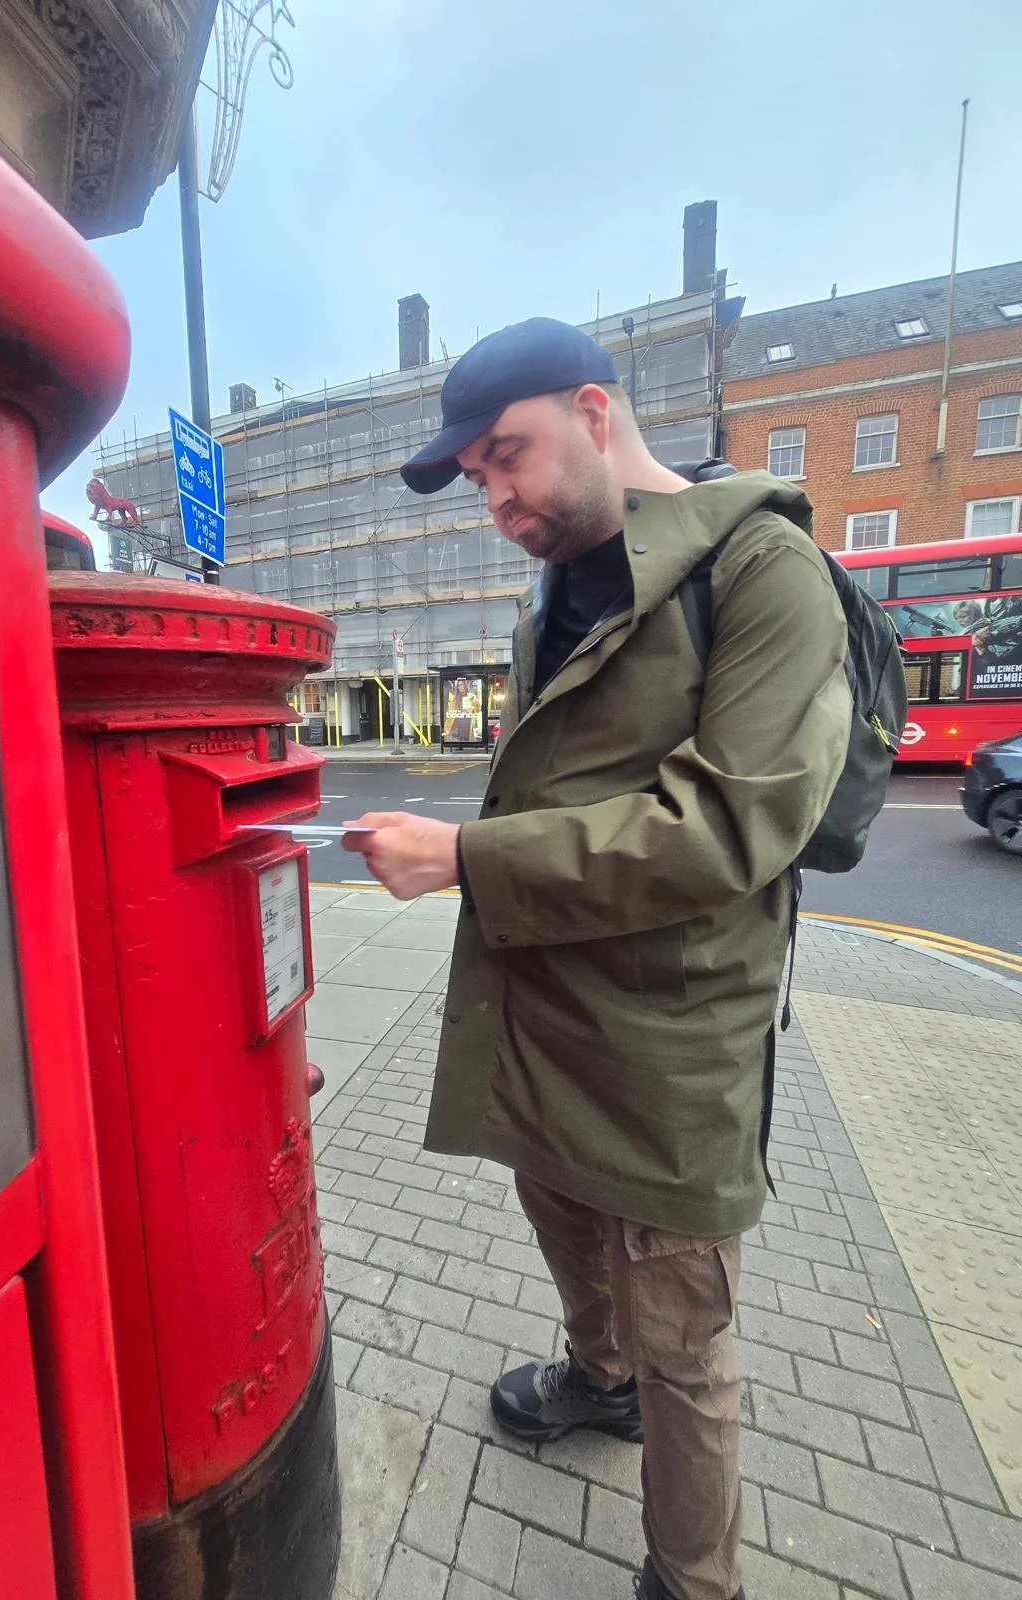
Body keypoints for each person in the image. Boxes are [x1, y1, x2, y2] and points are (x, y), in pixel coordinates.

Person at [342, 318, 850, 1600]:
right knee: (558, 1215)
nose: (496, 496)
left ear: (595, 410)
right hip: (552, 1010)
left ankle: (694, 1582)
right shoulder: (556, 589)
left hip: (677, 1045)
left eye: (507, 455)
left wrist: (465, 862)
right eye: (475, 479)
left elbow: (726, 824)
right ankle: (596, 1377)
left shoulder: (765, 567)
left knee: (685, 1334)